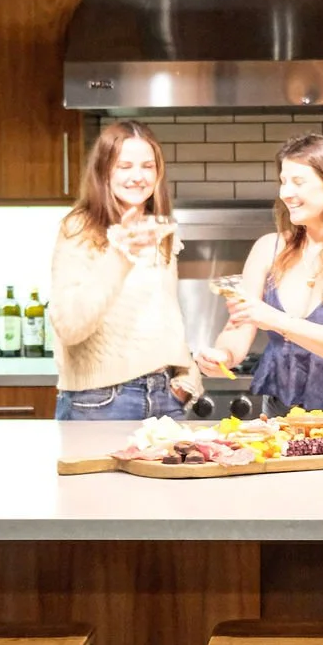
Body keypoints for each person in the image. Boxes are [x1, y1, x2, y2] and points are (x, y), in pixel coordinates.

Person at [196, 133, 323, 420]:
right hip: (284, 411)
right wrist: (224, 356)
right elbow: (240, 326)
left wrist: (275, 320)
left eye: (298, 182)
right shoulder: (267, 248)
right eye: (283, 181)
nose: (285, 193)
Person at [49, 120, 201, 421]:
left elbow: (165, 316)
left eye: (147, 166)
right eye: (125, 166)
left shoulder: (159, 229)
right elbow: (69, 327)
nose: (138, 177)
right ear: (104, 171)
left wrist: (186, 378)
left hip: (165, 398)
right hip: (100, 401)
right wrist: (122, 254)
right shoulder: (78, 229)